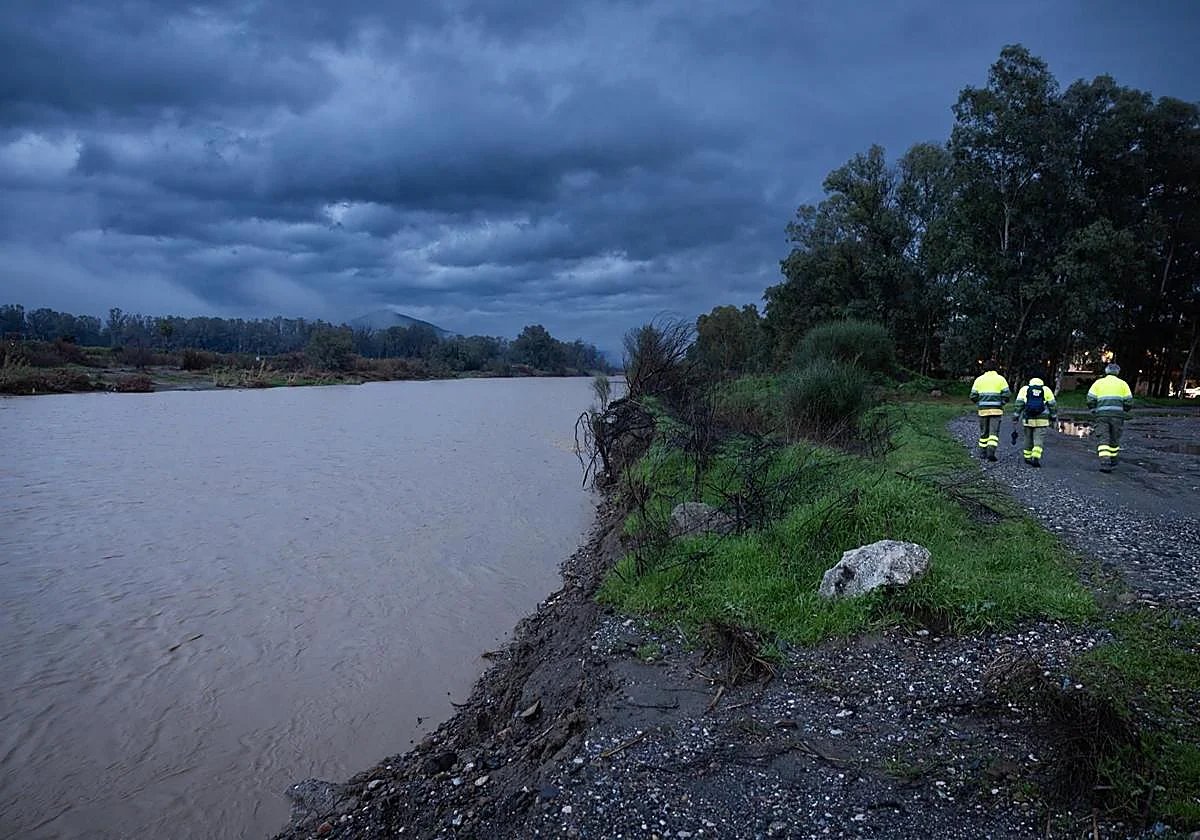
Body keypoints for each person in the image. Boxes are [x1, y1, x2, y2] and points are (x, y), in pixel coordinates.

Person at [1087, 362, 1134, 472]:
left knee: (1103, 438)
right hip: (1117, 416)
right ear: (1118, 372)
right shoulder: (1123, 384)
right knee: (1114, 438)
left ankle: (1104, 461)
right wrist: (1124, 410)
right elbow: (1129, 401)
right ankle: (1113, 460)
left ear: (1106, 371)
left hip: (1101, 415)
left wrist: (1094, 410)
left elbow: (1090, 398)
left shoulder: (1098, 383)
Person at [1011, 377, 1057, 467]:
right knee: (1039, 439)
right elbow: (1053, 405)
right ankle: (1036, 457)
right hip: (1042, 420)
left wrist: (1016, 416)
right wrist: (1053, 416)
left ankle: (1027, 458)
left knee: (1028, 438)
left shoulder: (1025, 389)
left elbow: (1019, 404)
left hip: (1028, 419)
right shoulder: (1046, 390)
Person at [970, 359, 1010, 461]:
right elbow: (1007, 394)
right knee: (993, 433)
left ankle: (982, 453)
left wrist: (979, 403)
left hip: (983, 410)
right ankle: (991, 453)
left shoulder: (979, 380)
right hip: (996, 410)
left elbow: (973, 395)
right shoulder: (1001, 379)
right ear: (996, 368)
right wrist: (1002, 403)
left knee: (984, 433)